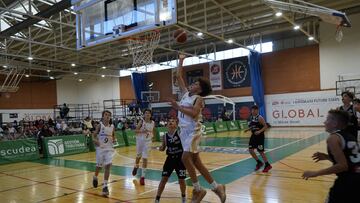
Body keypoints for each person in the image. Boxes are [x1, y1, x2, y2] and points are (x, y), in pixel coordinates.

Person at [169, 54, 226, 203]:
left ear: (200, 89)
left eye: (195, 84)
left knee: (184, 158)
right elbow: (178, 76)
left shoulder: (198, 99)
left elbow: (194, 114)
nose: (192, 84)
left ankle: (198, 189)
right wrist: (181, 60)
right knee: (197, 162)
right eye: (193, 83)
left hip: (193, 131)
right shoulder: (186, 94)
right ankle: (217, 186)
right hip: (184, 132)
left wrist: (178, 107)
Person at [302, 109, 360, 203]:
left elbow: (343, 166)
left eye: (327, 119)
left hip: (348, 182)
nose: (324, 122)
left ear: (335, 123)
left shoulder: (333, 138)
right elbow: (349, 161)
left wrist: (315, 173)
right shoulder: (349, 136)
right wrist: (327, 157)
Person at [155, 117, 186, 203]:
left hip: (180, 159)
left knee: (181, 180)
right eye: (169, 121)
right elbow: (163, 148)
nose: (170, 122)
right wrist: (159, 148)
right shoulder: (165, 136)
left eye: (173, 121)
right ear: (167, 125)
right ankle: (157, 198)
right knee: (164, 179)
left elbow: (186, 143)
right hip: (170, 159)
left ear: (176, 125)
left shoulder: (179, 133)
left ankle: (183, 197)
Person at [92, 110, 116, 196]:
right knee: (99, 166)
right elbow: (93, 136)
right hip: (100, 149)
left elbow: (113, 135)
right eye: (106, 115)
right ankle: (95, 176)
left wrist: (114, 140)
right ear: (103, 116)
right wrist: (96, 141)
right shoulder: (100, 125)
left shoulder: (112, 126)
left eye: (109, 115)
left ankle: (105, 186)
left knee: (108, 165)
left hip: (109, 149)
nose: (107, 116)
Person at [132, 109, 156, 185]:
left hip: (148, 142)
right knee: (138, 156)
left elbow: (153, 130)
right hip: (140, 141)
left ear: (151, 115)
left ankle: (142, 177)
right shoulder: (141, 121)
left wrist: (153, 136)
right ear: (144, 114)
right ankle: (136, 166)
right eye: (146, 113)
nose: (147, 114)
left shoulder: (153, 122)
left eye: (149, 113)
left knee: (145, 158)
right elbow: (135, 131)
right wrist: (142, 131)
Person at [245, 105, 272, 172]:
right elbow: (253, 126)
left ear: (257, 110)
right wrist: (248, 129)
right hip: (253, 136)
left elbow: (266, 126)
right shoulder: (251, 117)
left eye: (255, 110)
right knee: (250, 150)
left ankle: (267, 165)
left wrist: (259, 131)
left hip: (260, 137)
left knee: (260, 151)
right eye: (252, 110)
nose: (253, 111)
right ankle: (259, 162)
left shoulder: (260, 117)